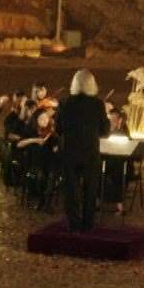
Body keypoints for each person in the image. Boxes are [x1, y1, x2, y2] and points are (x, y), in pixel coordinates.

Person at [54, 70, 112, 230]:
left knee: (71, 190)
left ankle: (73, 223)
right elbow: (105, 131)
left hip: (69, 151)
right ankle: (88, 223)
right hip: (90, 152)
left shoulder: (65, 103)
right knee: (90, 189)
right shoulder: (97, 104)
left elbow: (58, 128)